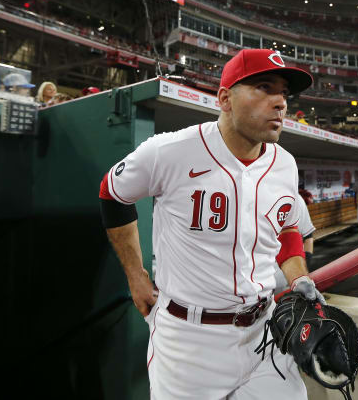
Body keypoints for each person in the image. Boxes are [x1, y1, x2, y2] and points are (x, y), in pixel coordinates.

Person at [99, 48, 317, 399]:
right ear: (225, 98)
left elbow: (289, 226)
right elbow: (112, 191)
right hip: (189, 341)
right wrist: (135, 275)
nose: (280, 103)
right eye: (264, 87)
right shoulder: (170, 151)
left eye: (284, 94)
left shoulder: (285, 164)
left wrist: (299, 277)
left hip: (265, 330)